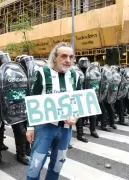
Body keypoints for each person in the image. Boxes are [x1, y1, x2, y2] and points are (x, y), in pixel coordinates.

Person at [26, 42, 81, 180]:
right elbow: (33, 100)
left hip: (65, 130)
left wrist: (76, 118)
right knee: (35, 165)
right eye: (63, 56)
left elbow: (79, 102)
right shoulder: (42, 73)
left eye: (71, 57)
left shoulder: (76, 75)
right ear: (54, 57)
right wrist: (30, 127)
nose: (68, 60)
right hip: (44, 127)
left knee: (57, 165)